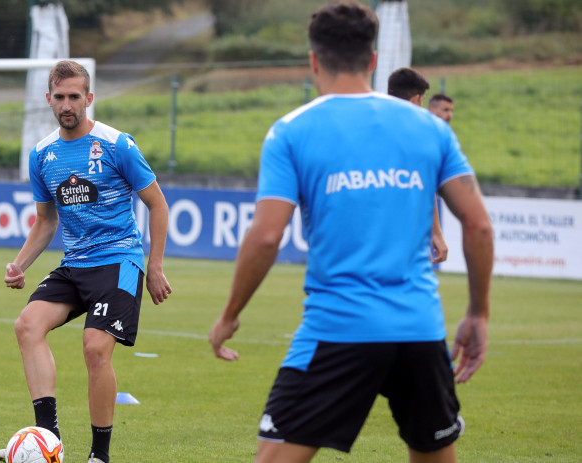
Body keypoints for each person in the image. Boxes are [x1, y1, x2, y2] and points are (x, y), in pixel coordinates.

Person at [209, 2, 493, 463]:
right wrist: (478, 313)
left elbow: (265, 237)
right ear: (374, 60)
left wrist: (229, 314)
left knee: (273, 454)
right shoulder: (430, 128)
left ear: (313, 60)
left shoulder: (291, 131)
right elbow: (479, 223)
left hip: (339, 328)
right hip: (421, 330)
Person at [0, 60, 172, 463]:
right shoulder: (41, 154)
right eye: (60, 97)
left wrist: (155, 266)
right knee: (27, 326)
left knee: (95, 347)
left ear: (89, 98)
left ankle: (99, 456)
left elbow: (158, 205)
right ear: (49, 100)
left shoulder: (116, 144)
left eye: (75, 96)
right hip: (76, 263)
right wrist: (20, 264)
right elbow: (45, 220)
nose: (67, 104)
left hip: (119, 260)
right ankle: (48, 441)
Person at [387, 67, 448, 263]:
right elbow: (426, 184)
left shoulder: (366, 126)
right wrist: (436, 233)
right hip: (403, 231)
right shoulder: (422, 135)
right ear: (416, 99)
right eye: (423, 100)